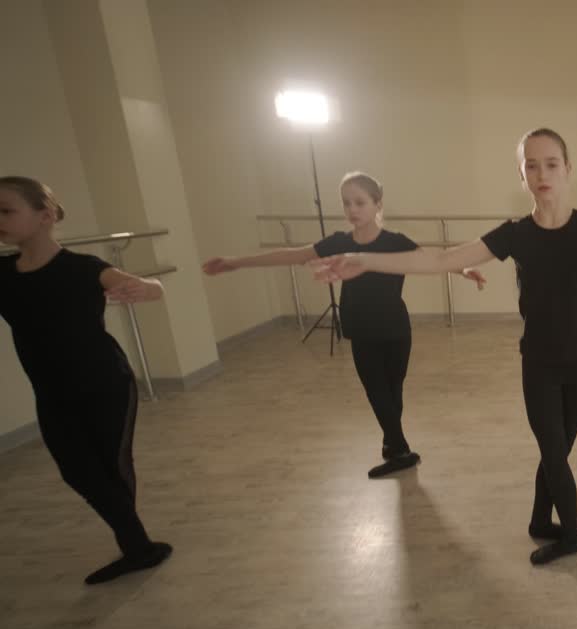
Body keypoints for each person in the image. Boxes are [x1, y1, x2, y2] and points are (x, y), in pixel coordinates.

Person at [313, 128, 577, 565]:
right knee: (554, 450)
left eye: (551, 163)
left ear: (568, 170)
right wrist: (363, 259)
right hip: (539, 363)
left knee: (559, 449)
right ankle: (573, 535)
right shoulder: (515, 234)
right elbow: (441, 260)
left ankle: (542, 520)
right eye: (531, 165)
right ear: (521, 176)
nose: (542, 173)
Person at [203, 172, 484, 478]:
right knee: (376, 389)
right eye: (347, 203)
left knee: (393, 390)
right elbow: (291, 255)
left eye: (360, 202)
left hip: (395, 328)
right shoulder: (338, 242)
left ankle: (392, 445)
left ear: (377, 204)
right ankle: (401, 450)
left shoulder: (395, 242)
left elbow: (433, 261)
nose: (352, 210)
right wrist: (235, 262)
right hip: (360, 326)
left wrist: (465, 269)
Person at [0, 176, 173, 584]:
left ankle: (137, 548)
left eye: (6, 210)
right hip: (51, 390)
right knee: (76, 470)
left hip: (105, 384)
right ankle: (137, 544)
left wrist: (143, 289)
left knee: (111, 467)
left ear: (44, 217)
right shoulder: (4, 272)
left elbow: (154, 287)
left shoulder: (83, 268)